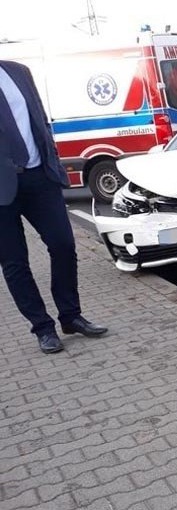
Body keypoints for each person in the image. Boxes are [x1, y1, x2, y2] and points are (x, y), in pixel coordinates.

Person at [0, 60, 108, 354]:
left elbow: (39, 119)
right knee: (15, 264)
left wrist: (52, 158)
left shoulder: (18, 72)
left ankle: (71, 316)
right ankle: (43, 328)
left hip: (40, 177)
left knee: (63, 245)